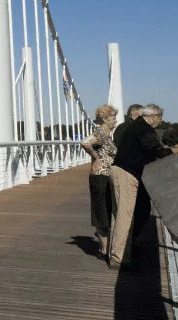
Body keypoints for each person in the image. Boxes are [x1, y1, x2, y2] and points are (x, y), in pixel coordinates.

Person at [109, 103, 178, 269]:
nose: (159, 123)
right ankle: (118, 257)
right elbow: (155, 149)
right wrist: (174, 150)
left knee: (140, 209)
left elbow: (149, 148)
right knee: (125, 215)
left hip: (126, 171)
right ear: (153, 117)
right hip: (127, 173)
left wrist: (170, 149)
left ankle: (124, 249)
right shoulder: (144, 129)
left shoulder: (136, 127)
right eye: (159, 119)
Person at [80, 104, 118, 258]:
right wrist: (96, 158)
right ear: (105, 119)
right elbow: (84, 142)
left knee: (107, 211)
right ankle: (104, 250)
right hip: (100, 176)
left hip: (108, 176)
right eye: (113, 118)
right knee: (102, 212)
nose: (115, 121)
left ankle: (105, 245)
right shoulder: (101, 133)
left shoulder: (108, 135)